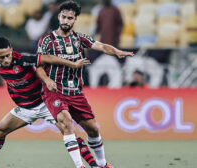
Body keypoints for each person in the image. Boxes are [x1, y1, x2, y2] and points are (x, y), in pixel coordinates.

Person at [0, 37, 96, 168]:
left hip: (45, 104)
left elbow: (48, 58)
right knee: (0, 130)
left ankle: (94, 165)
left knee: (68, 130)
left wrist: (73, 64)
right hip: (25, 108)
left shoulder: (23, 59)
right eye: (2, 57)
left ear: (11, 49)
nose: (6, 59)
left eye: (8, 55)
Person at [37, 1, 134, 168]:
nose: (66, 21)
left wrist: (116, 51)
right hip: (55, 91)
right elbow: (38, 66)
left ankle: (102, 164)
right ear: (59, 17)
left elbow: (101, 46)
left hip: (75, 92)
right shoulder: (47, 41)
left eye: (70, 18)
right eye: (63, 17)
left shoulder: (79, 39)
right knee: (67, 122)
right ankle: (79, 165)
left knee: (94, 129)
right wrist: (47, 80)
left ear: (75, 20)